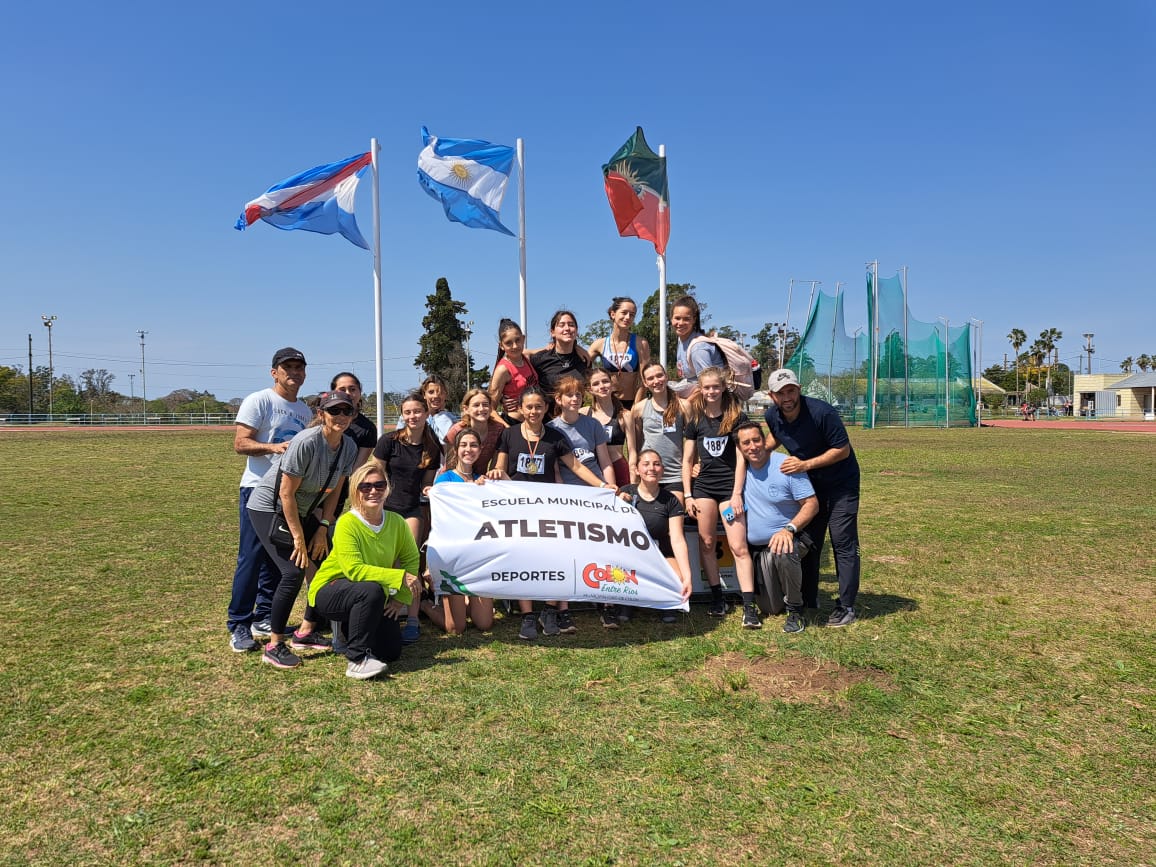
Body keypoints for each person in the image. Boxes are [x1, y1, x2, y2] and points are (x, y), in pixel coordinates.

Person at [487, 386, 616, 640]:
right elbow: (501, 466)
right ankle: (527, 617)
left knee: (555, 558)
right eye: (529, 407)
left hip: (548, 506)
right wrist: (494, 473)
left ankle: (548, 610)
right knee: (522, 559)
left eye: (538, 406)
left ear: (546, 408)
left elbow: (576, 466)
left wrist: (603, 486)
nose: (534, 411)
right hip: (518, 507)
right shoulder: (510, 434)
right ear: (521, 409)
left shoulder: (555, 436)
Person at [247, 390, 360, 669]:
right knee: (293, 572)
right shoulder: (306, 442)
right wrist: (299, 538)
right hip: (269, 508)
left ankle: (306, 631)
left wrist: (323, 527)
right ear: (321, 414)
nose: (342, 417)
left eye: (348, 411)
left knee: (325, 567)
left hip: (307, 511)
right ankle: (274, 645)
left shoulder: (349, 447)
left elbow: (336, 491)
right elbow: (285, 494)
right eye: (335, 411)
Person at [226, 347, 314, 653]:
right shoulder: (260, 400)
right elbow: (240, 443)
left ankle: (263, 617)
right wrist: (274, 449)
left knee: (278, 562)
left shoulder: (304, 411)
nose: (294, 372)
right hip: (256, 490)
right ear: (274, 372)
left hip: (287, 494)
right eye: (287, 367)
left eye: (299, 367)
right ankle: (238, 622)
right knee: (250, 559)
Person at [764, 367, 861, 627]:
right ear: (772, 396)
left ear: (799, 389)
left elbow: (842, 450)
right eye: (780, 393)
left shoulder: (822, 412)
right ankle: (808, 598)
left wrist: (805, 465)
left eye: (791, 390)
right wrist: (757, 454)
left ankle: (846, 606)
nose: (787, 397)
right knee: (810, 542)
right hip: (811, 487)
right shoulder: (772, 415)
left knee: (843, 542)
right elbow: (776, 435)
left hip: (842, 484)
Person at [308, 462, 420, 679]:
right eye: (365, 487)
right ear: (355, 491)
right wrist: (399, 577)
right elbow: (354, 571)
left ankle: (350, 630)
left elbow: (411, 557)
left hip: (372, 592)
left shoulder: (396, 522)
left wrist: (400, 600)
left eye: (379, 485)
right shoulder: (346, 523)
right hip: (329, 590)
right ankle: (357, 659)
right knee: (370, 590)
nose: (373, 491)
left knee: (391, 652)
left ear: (387, 488)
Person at [681, 366, 758, 626]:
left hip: (728, 490)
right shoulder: (695, 420)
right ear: (700, 390)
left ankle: (750, 607)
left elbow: (741, 460)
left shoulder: (736, 417)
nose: (711, 391)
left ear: (723, 387)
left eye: (715, 386)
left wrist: (737, 494)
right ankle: (717, 598)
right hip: (703, 489)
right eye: (707, 387)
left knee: (738, 546)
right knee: (706, 542)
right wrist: (688, 495)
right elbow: (687, 460)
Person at [734, 422, 819, 634]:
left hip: (792, 538)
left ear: (764, 441)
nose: (752, 446)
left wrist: (788, 529)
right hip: (759, 551)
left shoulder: (786, 466)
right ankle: (780, 596)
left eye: (756, 440)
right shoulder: (740, 472)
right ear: (740, 448)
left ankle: (795, 612)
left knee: (784, 548)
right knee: (770, 608)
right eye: (746, 443)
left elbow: (812, 504)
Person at [373, 390, 443, 643]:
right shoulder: (389, 441)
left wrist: (430, 489)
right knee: (386, 560)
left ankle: (412, 619)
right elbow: (374, 475)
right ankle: (386, 608)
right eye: (408, 412)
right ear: (402, 415)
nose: (413, 416)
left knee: (410, 561)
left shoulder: (433, 445)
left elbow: (426, 483)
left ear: (426, 413)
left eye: (417, 411)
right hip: (385, 508)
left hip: (412, 509)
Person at [616, 449, 694, 626]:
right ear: (636, 470)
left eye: (656, 464)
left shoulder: (671, 500)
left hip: (660, 554)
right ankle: (628, 602)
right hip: (631, 556)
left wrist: (687, 576)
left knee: (678, 578)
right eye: (646, 464)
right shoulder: (625, 494)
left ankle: (666, 605)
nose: (651, 468)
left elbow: (677, 539)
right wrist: (617, 502)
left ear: (663, 470)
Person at [430, 429, 495, 634]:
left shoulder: (482, 481)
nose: (469, 449)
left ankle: (467, 601)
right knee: (456, 628)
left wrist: (490, 485)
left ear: (480, 449)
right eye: (464, 445)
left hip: (479, 555)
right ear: (456, 450)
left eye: (473, 445)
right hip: (455, 557)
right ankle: (426, 605)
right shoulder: (444, 480)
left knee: (484, 624)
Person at [630, 361, 688, 496]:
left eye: (659, 376)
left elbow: (692, 442)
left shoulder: (684, 406)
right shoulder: (639, 409)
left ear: (666, 376)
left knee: (675, 514)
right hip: (648, 474)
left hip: (675, 474)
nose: (656, 381)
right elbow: (637, 445)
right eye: (650, 378)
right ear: (645, 383)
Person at [550, 375, 616, 488]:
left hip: (597, 486)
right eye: (570, 395)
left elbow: (605, 463)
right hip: (569, 488)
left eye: (578, 394)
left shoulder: (593, 424)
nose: (575, 399)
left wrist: (611, 488)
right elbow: (555, 470)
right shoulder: (551, 428)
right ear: (558, 399)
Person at [588, 296, 650, 408]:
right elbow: (582, 369)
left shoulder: (640, 343)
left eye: (632, 315)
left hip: (632, 403)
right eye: (624, 313)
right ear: (613, 314)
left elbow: (644, 378)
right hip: (606, 404)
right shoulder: (599, 344)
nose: (628, 317)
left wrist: (636, 406)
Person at [529, 309, 590, 415]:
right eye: (561, 325)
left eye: (571, 325)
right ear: (552, 332)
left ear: (576, 330)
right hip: (547, 423)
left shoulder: (584, 359)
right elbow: (513, 354)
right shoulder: (539, 359)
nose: (567, 328)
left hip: (576, 423)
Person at [583, 367, 636, 487]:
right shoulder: (584, 413)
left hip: (618, 469)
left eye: (605, 381)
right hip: (593, 471)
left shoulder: (624, 415)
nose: (602, 386)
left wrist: (633, 482)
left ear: (612, 384)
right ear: (589, 389)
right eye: (596, 384)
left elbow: (632, 452)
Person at [669, 296, 725, 399]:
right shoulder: (682, 340)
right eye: (677, 318)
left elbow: (708, 386)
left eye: (686, 319)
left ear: (694, 320)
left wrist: (685, 406)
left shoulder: (698, 348)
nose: (680, 323)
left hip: (714, 401)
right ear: (671, 318)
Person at [444, 388, 507, 475]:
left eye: (485, 405)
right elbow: (450, 463)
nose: (481, 409)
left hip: (481, 479)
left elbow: (495, 463)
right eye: (476, 405)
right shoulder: (457, 430)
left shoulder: (498, 430)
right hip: (455, 477)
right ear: (466, 409)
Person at [488, 318, 538, 424]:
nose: (515, 346)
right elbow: (490, 409)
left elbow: (549, 349)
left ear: (523, 339)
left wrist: (578, 348)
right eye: (508, 343)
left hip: (534, 422)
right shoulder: (503, 369)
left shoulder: (526, 358)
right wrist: (507, 429)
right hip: (514, 423)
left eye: (517, 340)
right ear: (501, 345)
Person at [397, 374, 459, 443]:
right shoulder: (409, 416)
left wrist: (441, 415)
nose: (436, 396)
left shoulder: (450, 418)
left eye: (440, 392)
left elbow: (448, 444)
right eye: (431, 392)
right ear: (424, 394)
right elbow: (398, 440)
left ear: (445, 395)